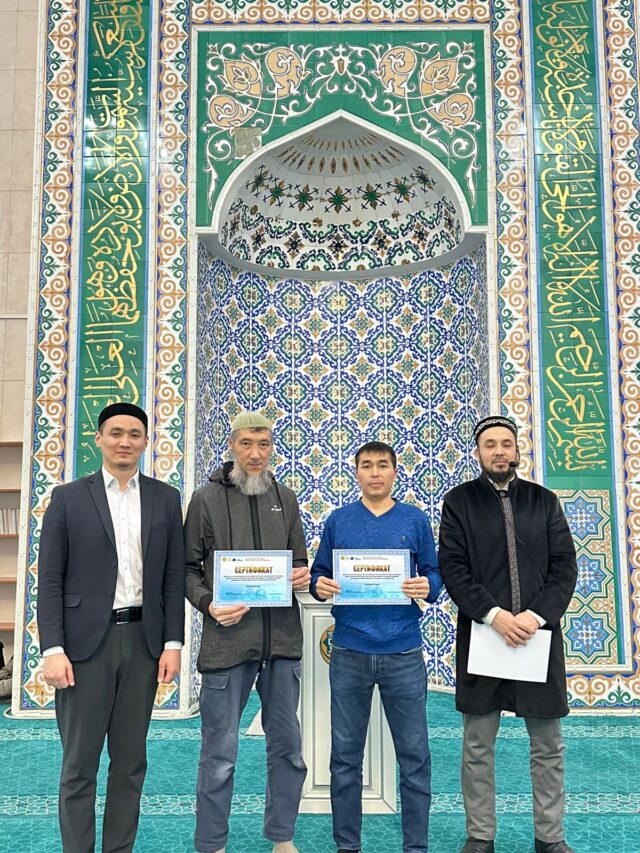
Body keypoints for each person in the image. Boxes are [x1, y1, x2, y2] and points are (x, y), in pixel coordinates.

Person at [37, 402, 186, 853]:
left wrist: (173, 642)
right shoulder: (67, 498)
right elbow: (49, 579)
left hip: (143, 643)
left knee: (130, 763)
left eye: (134, 434)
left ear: (146, 441)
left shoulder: (165, 498)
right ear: (98, 439)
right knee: (79, 766)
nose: (125, 442)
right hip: (84, 648)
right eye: (116, 433)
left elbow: (173, 577)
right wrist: (52, 649)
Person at [439, 415, 578, 853]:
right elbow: (454, 569)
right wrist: (494, 615)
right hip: (485, 636)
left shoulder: (544, 501)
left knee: (548, 744)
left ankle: (550, 838)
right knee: (478, 744)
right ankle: (480, 836)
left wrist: (535, 617)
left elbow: (565, 568)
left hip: (538, 638)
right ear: (478, 452)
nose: (498, 451)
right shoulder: (459, 502)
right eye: (490, 444)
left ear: (517, 450)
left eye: (505, 443)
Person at [184, 412, 309, 853]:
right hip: (227, 645)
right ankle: (211, 843)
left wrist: (301, 574)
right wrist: (209, 604)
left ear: (272, 447)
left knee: (289, 750)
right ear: (232, 446)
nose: (255, 454)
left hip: (282, 645)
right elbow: (187, 571)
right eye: (246, 444)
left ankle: (282, 838)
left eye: (263, 444)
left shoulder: (285, 498)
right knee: (220, 754)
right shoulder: (205, 499)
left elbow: (299, 561)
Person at [310, 440, 442, 853]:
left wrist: (428, 585)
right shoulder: (339, 521)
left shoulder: (414, 520)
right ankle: (347, 846)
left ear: (395, 472)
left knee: (415, 757)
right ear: (356, 473)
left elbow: (435, 573)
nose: (375, 473)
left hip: (403, 652)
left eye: (382, 465)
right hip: (349, 652)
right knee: (345, 757)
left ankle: (415, 847)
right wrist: (319, 585)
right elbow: (318, 574)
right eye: (366, 465)